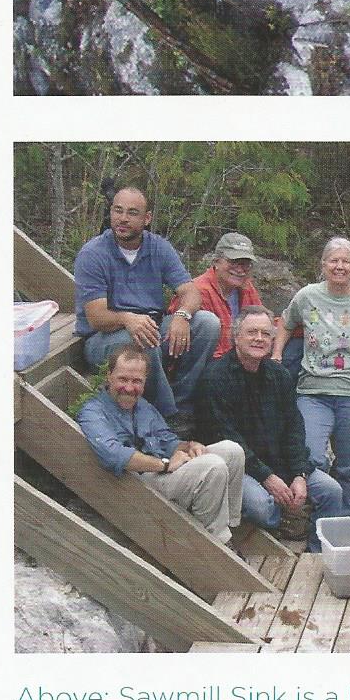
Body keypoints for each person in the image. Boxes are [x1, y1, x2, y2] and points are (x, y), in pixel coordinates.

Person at [196, 307, 342, 549]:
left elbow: (295, 429)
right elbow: (228, 439)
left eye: (265, 333)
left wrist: (299, 474)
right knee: (263, 507)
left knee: (332, 492)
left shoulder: (279, 375)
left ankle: (317, 554)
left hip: (282, 464)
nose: (259, 339)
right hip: (242, 469)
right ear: (236, 337)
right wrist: (268, 478)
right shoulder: (215, 378)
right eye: (251, 332)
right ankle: (284, 522)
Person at [73, 186, 220, 425]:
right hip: (102, 338)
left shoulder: (158, 247)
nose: (122, 218)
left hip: (150, 325)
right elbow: (97, 317)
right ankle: (168, 417)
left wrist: (182, 315)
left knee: (207, 324)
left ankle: (182, 405)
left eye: (132, 213)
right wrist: (128, 319)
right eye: (117, 211)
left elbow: (190, 291)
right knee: (144, 339)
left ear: (147, 218)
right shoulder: (93, 253)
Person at [78, 344, 245, 546]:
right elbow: (114, 455)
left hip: (162, 474)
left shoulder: (144, 407)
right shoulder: (93, 412)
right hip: (136, 487)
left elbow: (167, 440)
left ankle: (230, 528)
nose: (129, 388)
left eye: (136, 381)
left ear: (145, 381)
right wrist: (165, 465)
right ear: (109, 375)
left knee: (232, 451)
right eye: (123, 379)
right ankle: (217, 543)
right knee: (213, 466)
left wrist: (188, 446)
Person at [276, 237, 350, 520]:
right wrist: (275, 357)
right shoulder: (307, 295)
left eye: (345, 261)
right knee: (310, 458)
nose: (339, 266)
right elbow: (286, 325)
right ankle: (312, 523)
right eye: (333, 261)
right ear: (323, 265)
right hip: (314, 388)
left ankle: (342, 530)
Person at [188, 232, 270, 362]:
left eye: (245, 263)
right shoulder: (197, 290)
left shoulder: (246, 288)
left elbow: (264, 325)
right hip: (209, 366)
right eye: (234, 262)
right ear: (216, 261)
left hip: (241, 360)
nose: (240, 269)